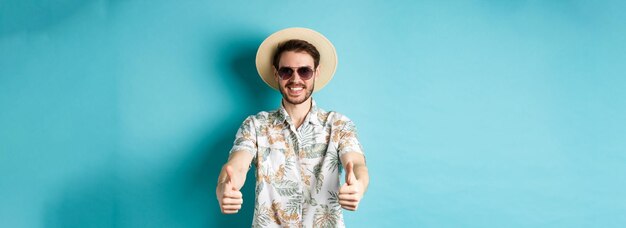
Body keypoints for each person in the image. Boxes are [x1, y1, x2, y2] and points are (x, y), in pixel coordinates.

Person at [216, 27, 369, 227]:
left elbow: (357, 165)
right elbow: (237, 166)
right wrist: (224, 188)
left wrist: (359, 185)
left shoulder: (339, 125)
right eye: (286, 71)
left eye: (304, 71)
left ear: (316, 73)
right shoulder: (255, 125)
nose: (295, 79)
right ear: (276, 73)